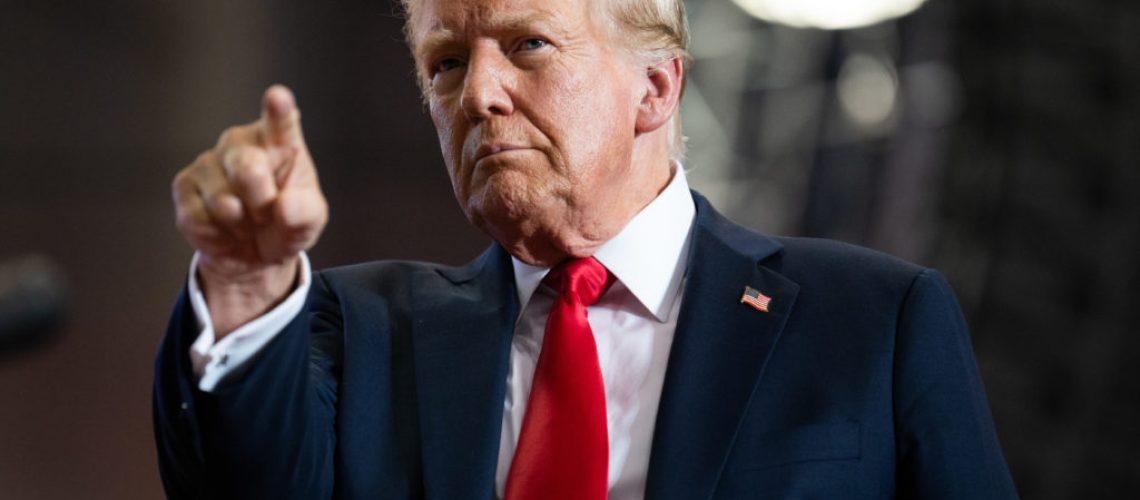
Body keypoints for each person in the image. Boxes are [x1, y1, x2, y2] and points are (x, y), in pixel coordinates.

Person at [153, 0, 1019, 498]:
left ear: (655, 87)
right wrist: (246, 280)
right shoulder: (358, 333)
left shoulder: (872, 320)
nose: (480, 94)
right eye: (446, 64)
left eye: (527, 45)